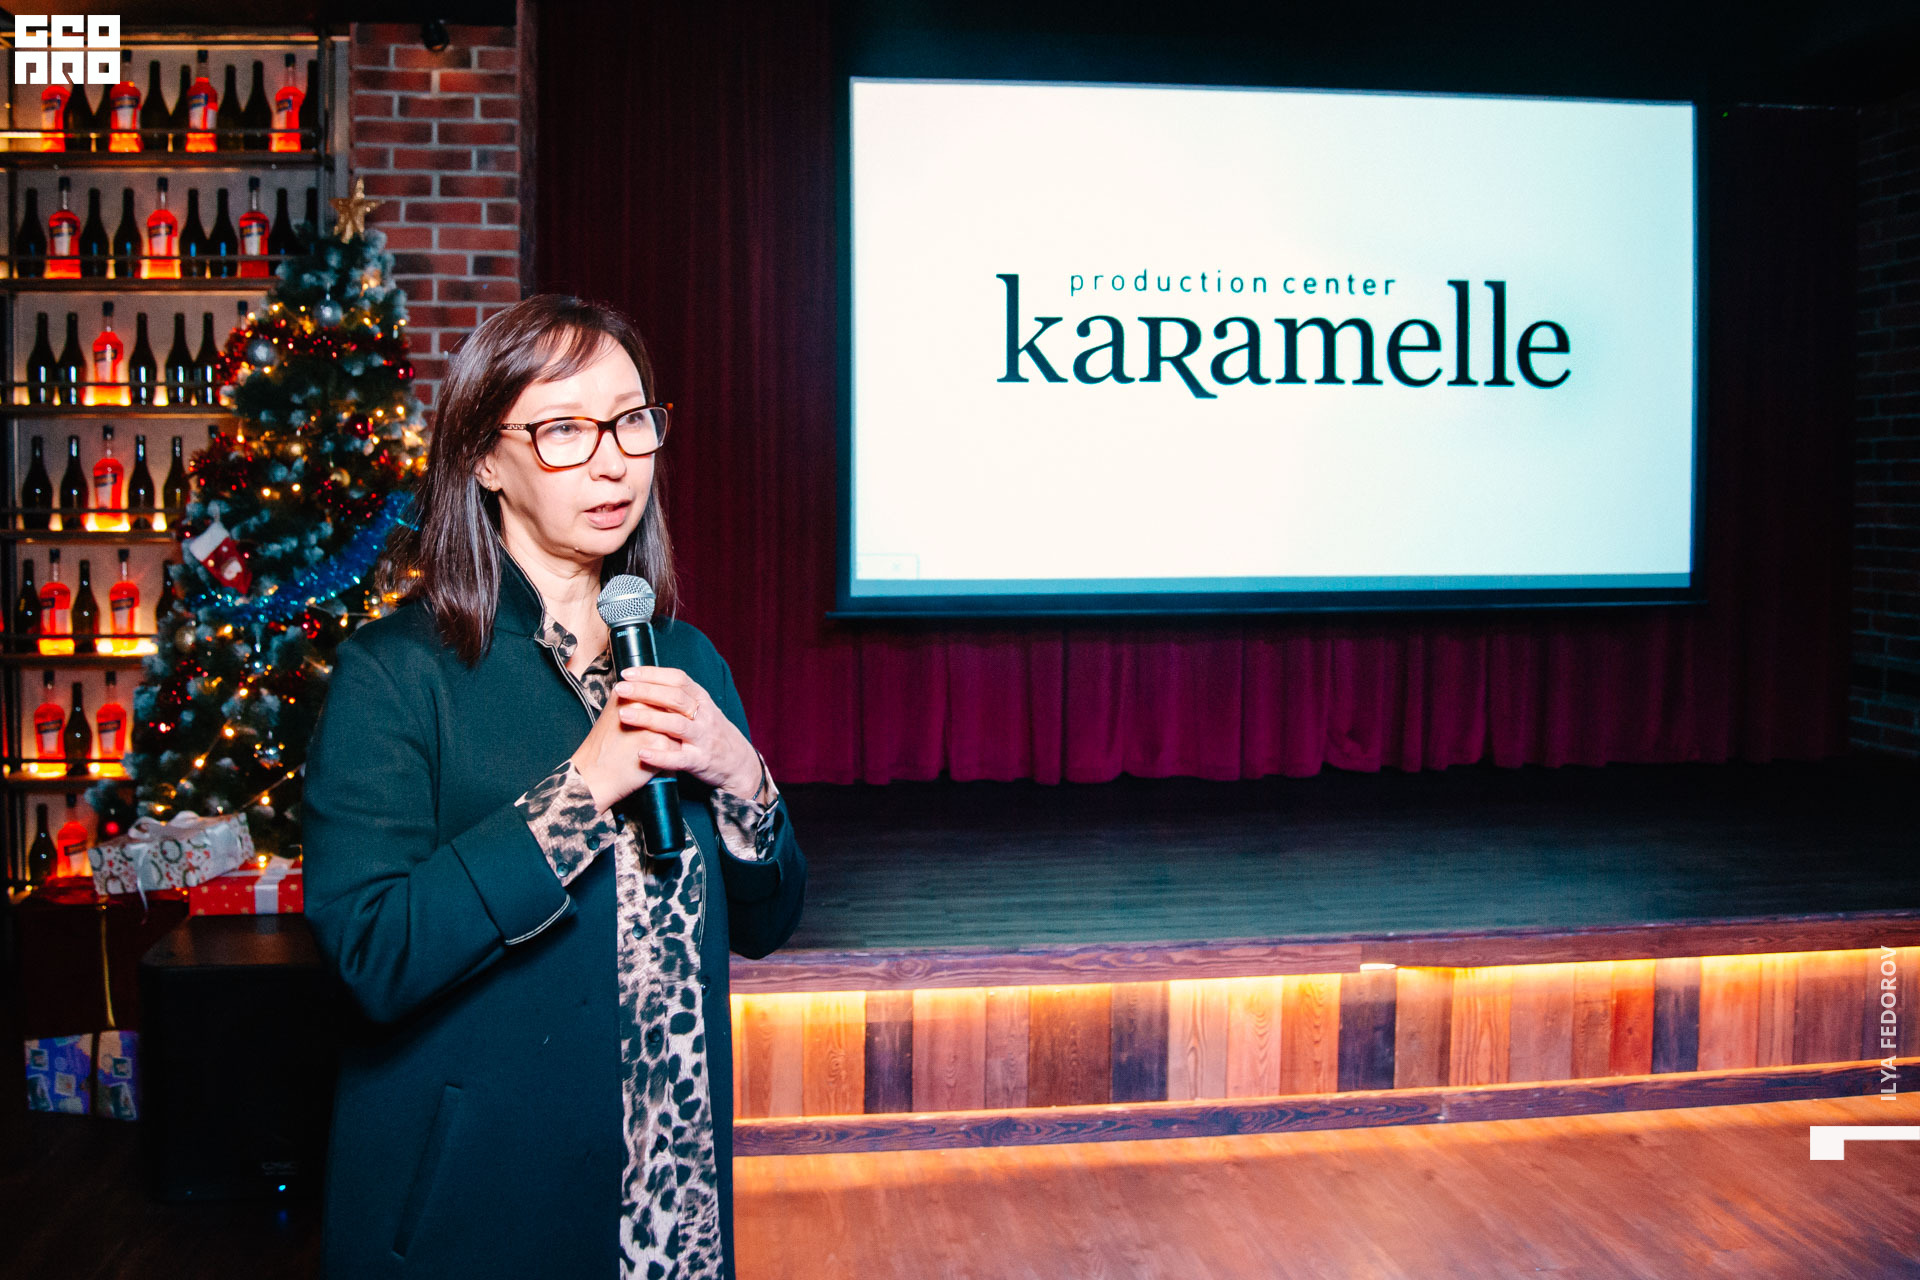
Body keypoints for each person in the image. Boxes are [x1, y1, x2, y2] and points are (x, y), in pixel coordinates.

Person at [302, 294, 806, 1279]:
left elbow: (767, 919)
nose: (614, 461)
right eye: (565, 429)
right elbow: (371, 954)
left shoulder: (685, 657)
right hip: (484, 1207)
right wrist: (581, 791)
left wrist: (742, 776)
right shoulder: (395, 672)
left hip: (673, 1190)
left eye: (630, 421)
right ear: (485, 459)